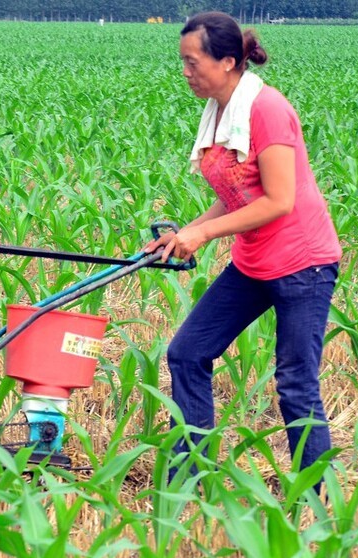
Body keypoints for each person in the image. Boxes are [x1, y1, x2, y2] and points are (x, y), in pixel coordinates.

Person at [145, 11, 341, 481]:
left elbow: (278, 199)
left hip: (302, 263)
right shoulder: (219, 112)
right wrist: (187, 231)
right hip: (254, 263)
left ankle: (316, 502)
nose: (186, 72)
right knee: (188, 352)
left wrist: (205, 234)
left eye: (193, 63)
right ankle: (186, 483)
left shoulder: (266, 109)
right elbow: (237, 192)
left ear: (229, 61)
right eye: (183, 63)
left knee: (295, 386)